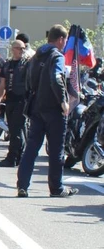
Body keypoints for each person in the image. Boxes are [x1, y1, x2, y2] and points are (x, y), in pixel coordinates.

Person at [17, 24, 77, 198]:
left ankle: (22, 186)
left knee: (31, 148)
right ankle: (56, 188)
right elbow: (56, 77)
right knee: (57, 150)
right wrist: (63, 101)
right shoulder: (56, 56)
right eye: (64, 40)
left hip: (36, 107)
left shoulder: (36, 56)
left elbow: (27, 80)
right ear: (60, 39)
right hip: (53, 108)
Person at [0, 40, 29, 167]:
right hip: (10, 100)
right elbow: (2, 84)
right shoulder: (7, 64)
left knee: (17, 130)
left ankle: (13, 158)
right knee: (13, 130)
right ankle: (17, 157)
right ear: (13, 49)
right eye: (19, 48)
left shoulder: (26, 64)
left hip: (22, 100)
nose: (22, 51)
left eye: (23, 48)